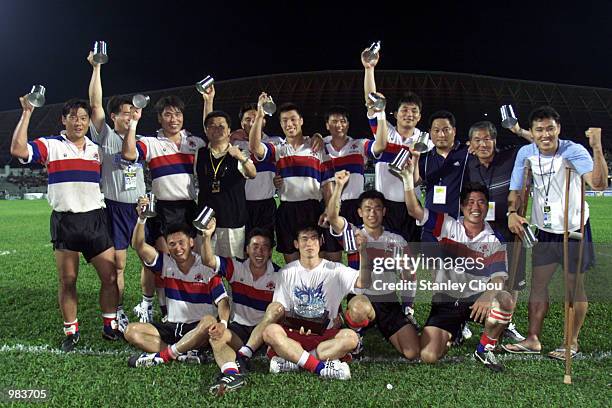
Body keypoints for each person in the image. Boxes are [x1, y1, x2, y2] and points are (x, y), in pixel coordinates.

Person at [10, 97, 119, 351]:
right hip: (65, 220)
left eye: (83, 117)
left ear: (88, 121)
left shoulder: (97, 149)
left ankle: (110, 326)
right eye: (73, 117)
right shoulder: (51, 145)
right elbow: (18, 150)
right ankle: (71, 331)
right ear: (64, 120)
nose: (79, 122)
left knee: (110, 276)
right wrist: (27, 112)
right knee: (67, 280)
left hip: (95, 219)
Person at [502, 106, 608, 359]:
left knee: (574, 288)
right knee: (538, 285)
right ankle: (533, 339)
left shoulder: (574, 151)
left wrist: (596, 148)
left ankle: (571, 342)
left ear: (558, 128)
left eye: (550, 128)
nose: (545, 134)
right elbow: (515, 190)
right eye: (539, 129)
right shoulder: (526, 153)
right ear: (534, 132)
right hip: (545, 230)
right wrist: (512, 212)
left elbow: (599, 183)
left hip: (574, 229)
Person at [401, 158, 516, 372]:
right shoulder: (446, 224)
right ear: (462, 206)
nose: (476, 207)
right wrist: (408, 181)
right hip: (445, 301)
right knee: (428, 355)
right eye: (470, 202)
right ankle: (452, 331)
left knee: (505, 300)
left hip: (475, 300)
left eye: (481, 202)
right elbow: (414, 211)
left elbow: (499, 278)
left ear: (487, 206)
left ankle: (484, 348)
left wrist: (488, 295)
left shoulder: (494, 239)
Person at [122, 92, 210, 322]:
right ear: (159, 119)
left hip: (190, 207)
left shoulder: (194, 143)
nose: (173, 119)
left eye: (178, 114)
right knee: (161, 261)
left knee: (196, 258)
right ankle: (157, 307)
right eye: (168, 114)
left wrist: (208, 102)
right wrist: (133, 123)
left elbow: (213, 133)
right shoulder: (151, 142)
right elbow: (129, 153)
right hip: (163, 210)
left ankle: (196, 302)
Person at [124, 197, 230, 371]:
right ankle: (182, 354)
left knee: (209, 320)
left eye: (181, 242)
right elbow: (139, 246)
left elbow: (223, 301)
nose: (177, 248)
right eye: (172, 244)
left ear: (191, 242)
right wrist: (141, 218)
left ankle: (164, 356)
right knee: (130, 331)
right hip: (172, 326)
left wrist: (223, 323)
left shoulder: (205, 266)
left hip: (199, 329)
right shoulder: (166, 263)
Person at [326, 170, 419, 360]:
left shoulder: (397, 240)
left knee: (413, 352)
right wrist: (339, 188)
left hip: (388, 300)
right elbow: (333, 217)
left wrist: (408, 306)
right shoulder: (353, 233)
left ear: (384, 212)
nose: (372, 213)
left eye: (377, 208)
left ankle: (379, 325)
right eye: (367, 208)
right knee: (359, 308)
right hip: (362, 297)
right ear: (359, 212)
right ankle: (356, 335)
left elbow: (410, 277)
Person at [262, 224, 374, 380]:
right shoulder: (286, 272)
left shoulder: (335, 269)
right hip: (295, 334)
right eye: (304, 239)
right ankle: (321, 368)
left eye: (314, 238)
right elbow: (281, 311)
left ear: (321, 241)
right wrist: (296, 325)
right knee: (270, 331)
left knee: (351, 338)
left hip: (325, 336)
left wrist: (363, 251)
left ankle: (295, 360)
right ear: (296, 244)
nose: (309, 243)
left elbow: (363, 283)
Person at [87, 51, 146, 331]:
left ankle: (151, 305)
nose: (129, 117)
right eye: (124, 113)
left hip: (141, 207)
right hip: (115, 207)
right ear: (113, 117)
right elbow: (95, 103)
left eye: (132, 113)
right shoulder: (105, 135)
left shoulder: (141, 141)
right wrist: (97, 68)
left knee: (151, 259)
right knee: (119, 265)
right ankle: (119, 310)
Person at [199, 220, 284, 394]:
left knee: (276, 310)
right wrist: (207, 237)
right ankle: (232, 373)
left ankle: (244, 356)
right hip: (238, 330)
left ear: (270, 252)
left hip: (264, 335)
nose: (259, 252)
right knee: (216, 335)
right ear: (246, 249)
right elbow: (208, 261)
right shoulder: (236, 267)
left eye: (264, 247)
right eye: (255, 246)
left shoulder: (279, 275)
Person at [466, 120, 533, 342]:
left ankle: (506, 320)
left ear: (495, 140)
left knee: (512, 280)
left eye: (487, 138)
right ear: (471, 144)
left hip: (511, 228)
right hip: (481, 232)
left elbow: (540, 143)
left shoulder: (511, 156)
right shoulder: (469, 164)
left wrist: (518, 130)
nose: (483, 144)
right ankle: (463, 320)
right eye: (478, 140)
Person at [249, 93, 333, 263]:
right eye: (285, 120)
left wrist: (329, 210)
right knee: (291, 259)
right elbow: (254, 147)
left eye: (293, 119)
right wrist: (260, 113)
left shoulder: (316, 146)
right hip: (287, 210)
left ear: (301, 120)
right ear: (280, 124)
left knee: (316, 257)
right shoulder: (278, 149)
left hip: (312, 208)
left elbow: (326, 184)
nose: (289, 124)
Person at [362, 48, 432, 243]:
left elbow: (419, 179)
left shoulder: (425, 141)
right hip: (386, 206)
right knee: (386, 255)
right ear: (395, 113)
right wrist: (369, 69)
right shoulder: (386, 132)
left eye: (414, 111)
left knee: (410, 258)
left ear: (419, 117)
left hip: (412, 205)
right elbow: (371, 102)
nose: (409, 114)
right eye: (405, 110)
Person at [194, 110, 256, 258]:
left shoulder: (240, 152)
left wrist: (241, 157)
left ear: (229, 130)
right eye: (212, 126)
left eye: (221, 126)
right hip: (206, 220)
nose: (217, 129)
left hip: (233, 221)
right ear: (206, 130)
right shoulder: (200, 153)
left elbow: (252, 173)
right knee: (206, 266)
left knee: (233, 268)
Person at [231, 103, 284, 239]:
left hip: (267, 204)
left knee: (265, 245)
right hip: (242, 205)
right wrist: (230, 136)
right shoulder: (234, 144)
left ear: (264, 120)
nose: (252, 122)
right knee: (243, 249)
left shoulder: (275, 142)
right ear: (242, 123)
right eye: (247, 119)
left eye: (256, 118)